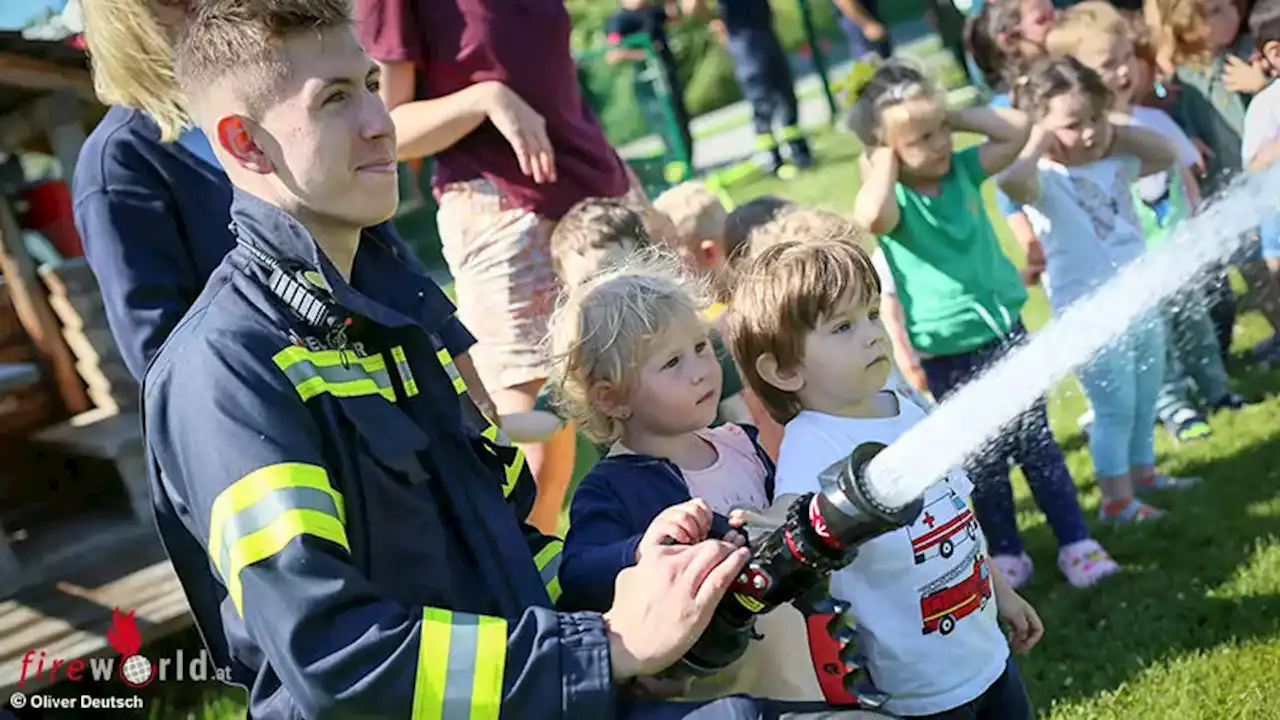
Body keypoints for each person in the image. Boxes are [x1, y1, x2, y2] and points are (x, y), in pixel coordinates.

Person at [145, 2, 896, 717]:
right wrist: (603, 646)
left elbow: (507, 553)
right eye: (334, 99)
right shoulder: (226, 372)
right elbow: (339, 661)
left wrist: (648, 569)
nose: (381, 122)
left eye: (373, 84)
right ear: (244, 142)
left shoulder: (398, 320)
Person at [73, 0, 494, 416]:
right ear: (120, 16)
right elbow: (165, 357)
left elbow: (384, 254)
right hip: (291, 423)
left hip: (400, 391)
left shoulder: (290, 94)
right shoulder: (119, 165)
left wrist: (459, 359)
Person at [353, 0, 646, 525]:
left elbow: (556, 87)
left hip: (598, 197)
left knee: (654, 386)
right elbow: (387, 128)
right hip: (502, 213)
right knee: (528, 435)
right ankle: (537, 584)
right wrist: (484, 98)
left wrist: (619, 174)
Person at [728, 234, 1044, 719]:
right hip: (920, 689)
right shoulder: (814, 443)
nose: (873, 334)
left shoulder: (908, 411)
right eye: (842, 327)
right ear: (786, 371)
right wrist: (764, 526)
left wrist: (1003, 593)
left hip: (988, 658)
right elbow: (790, 523)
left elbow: (959, 520)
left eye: (873, 314)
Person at [552, 253, 865, 706]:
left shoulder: (742, 441)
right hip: (724, 689)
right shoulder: (611, 487)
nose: (700, 370)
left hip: (810, 655)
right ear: (613, 398)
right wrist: (640, 550)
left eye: (700, 348)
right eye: (672, 362)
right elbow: (578, 573)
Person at [850, 63, 1119, 589]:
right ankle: (1008, 552)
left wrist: (941, 112)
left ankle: (1076, 542)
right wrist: (883, 156)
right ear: (888, 152)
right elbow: (869, 215)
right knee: (984, 457)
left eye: (943, 130)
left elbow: (1015, 128)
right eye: (923, 138)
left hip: (1005, 332)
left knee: (1037, 444)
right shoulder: (896, 200)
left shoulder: (964, 170)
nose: (942, 143)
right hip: (945, 351)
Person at [1001, 55, 1200, 523]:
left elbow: (1166, 152)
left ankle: (1143, 474)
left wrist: (1108, 127)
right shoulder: (1045, 181)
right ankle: (1116, 500)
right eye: (1073, 125)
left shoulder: (1113, 159)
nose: (1088, 133)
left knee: (1146, 393)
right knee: (1115, 407)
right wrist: (1038, 141)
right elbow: (1012, 181)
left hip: (1138, 299)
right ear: (1044, 130)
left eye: (1095, 118)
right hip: (1089, 316)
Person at [1045, 1, 1250, 443]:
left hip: (1177, 247)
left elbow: (1183, 168)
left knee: (1195, 326)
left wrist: (1195, 221)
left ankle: (1217, 390)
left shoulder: (1151, 120)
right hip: (1131, 264)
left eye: (1124, 58)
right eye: (1107, 63)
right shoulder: (1080, 147)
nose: (1122, 72)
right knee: (1159, 346)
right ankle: (1173, 404)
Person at [681, 0, 815, 174]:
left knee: (784, 94)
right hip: (745, 39)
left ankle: (798, 153)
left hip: (762, 29)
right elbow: (691, 6)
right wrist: (715, 20)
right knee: (763, 100)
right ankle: (774, 160)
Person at [605, 0, 695, 164]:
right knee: (663, 125)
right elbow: (613, 55)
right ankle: (675, 162)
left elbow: (674, 18)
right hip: (646, 80)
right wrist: (645, 54)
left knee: (680, 120)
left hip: (667, 74)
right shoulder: (619, 20)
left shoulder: (652, 11)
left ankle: (688, 162)